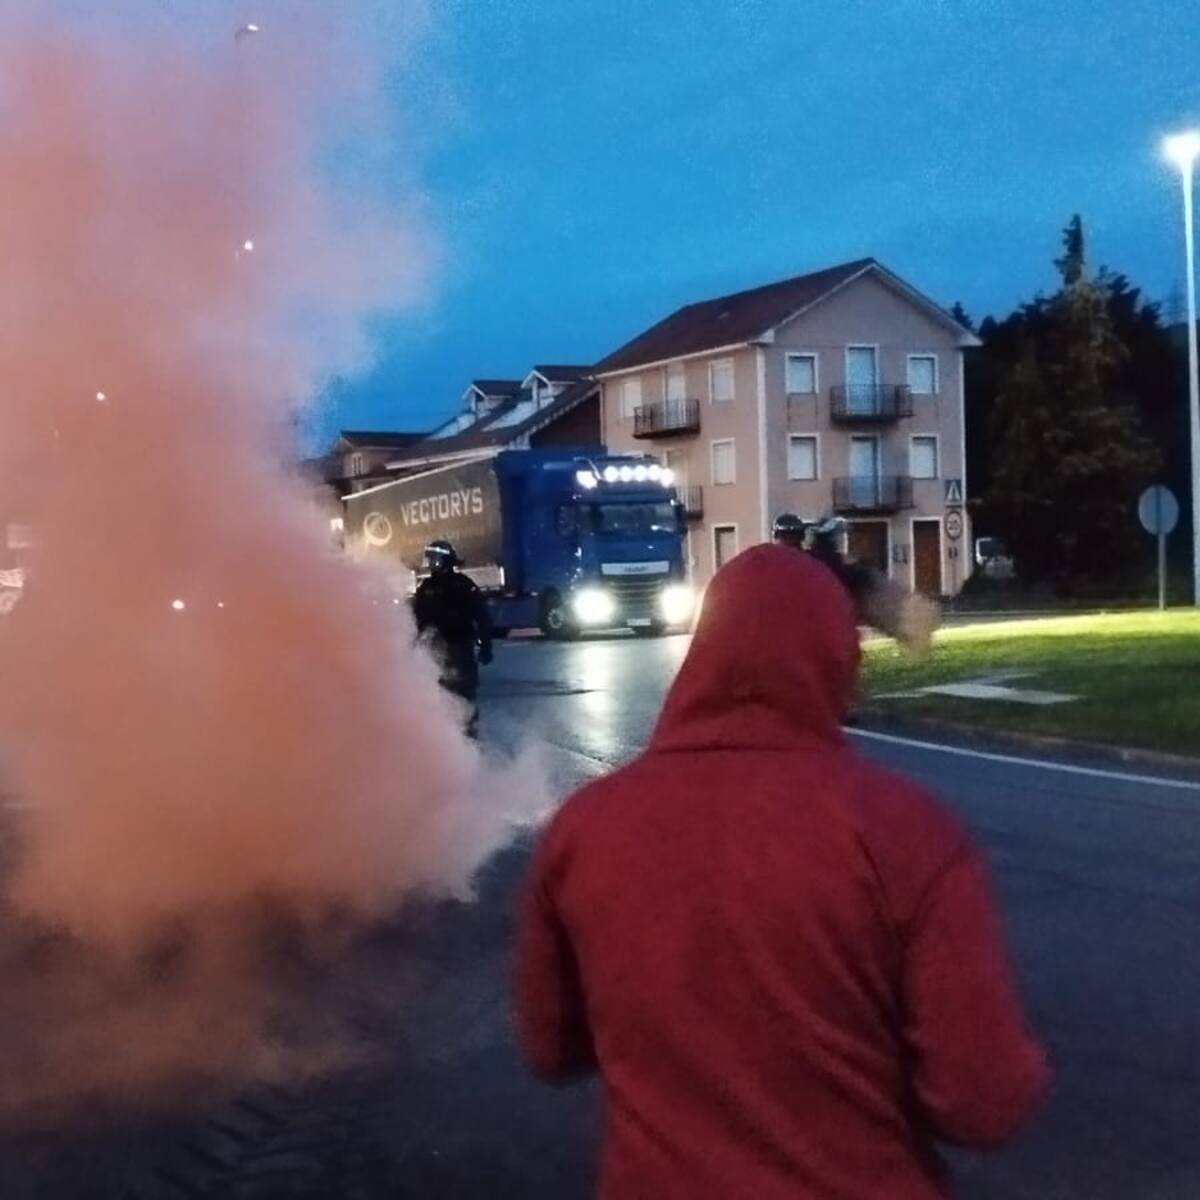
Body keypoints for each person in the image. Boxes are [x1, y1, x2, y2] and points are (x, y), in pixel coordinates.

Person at [515, 545, 1048, 1200]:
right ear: (836, 657)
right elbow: (982, 1102)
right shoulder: (908, 833)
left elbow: (551, 1047)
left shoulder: (581, 829)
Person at [772, 511, 939, 656]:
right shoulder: (812, 562)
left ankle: (910, 624)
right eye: (788, 537)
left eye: (790, 537)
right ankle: (910, 624)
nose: (788, 543)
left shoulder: (805, 561)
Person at [412, 539, 493, 738]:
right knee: (439, 697)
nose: (432, 563)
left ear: (445, 559)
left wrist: (486, 646)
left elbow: (482, 616)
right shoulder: (426, 588)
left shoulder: (462, 585)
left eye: (435, 558)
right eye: (430, 558)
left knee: (464, 697)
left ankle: (468, 740)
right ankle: (445, 740)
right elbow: (415, 621)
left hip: (460, 649)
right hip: (435, 653)